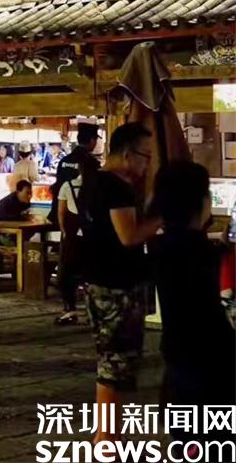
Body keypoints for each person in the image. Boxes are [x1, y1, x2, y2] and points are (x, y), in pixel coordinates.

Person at [79, 122, 160, 445]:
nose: (147, 164)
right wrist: (162, 218)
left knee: (110, 361)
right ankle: (108, 440)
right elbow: (129, 236)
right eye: (145, 156)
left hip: (97, 281)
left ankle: (107, 437)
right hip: (117, 287)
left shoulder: (92, 181)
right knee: (116, 365)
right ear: (128, 154)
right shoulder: (115, 187)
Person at [149, 161, 235, 449]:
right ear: (199, 201)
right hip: (212, 365)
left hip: (178, 358)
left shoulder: (162, 248)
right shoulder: (199, 251)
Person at [51, 124, 100, 326]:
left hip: (71, 231)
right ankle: (94, 310)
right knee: (92, 272)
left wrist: (64, 230)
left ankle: (69, 309)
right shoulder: (95, 170)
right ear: (92, 141)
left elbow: (60, 206)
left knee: (68, 271)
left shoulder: (64, 162)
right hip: (92, 232)